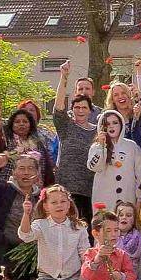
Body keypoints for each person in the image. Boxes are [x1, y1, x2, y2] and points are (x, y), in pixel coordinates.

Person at [18, 184, 90, 280]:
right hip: (49, 279)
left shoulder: (79, 227)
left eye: (63, 201)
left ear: (69, 204)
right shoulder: (40, 224)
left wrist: (83, 278)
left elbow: (85, 254)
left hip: (73, 278)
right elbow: (26, 235)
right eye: (54, 202)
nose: (59, 205)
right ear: (46, 206)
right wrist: (26, 214)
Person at [53, 63, 98, 225]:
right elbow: (58, 107)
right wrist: (63, 78)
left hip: (89, 187)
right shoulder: (66, 126)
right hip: (66, 186)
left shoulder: (97, 131)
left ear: (90, 110)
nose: (80, 110)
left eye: (84, 107)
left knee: (85, 228)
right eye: (77, 107)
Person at [87, 110, 141, 210]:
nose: (111, 126)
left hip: (127, 198)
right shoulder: (96, 147)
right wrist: (102, 146)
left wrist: (139, 197)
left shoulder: (132, 146)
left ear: (121, 124)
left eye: (115, 123)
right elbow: (95, 167)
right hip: (104, 198)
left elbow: (140, 173)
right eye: (107, 124)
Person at [0, 106, 56, 186]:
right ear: (12, 125)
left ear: (30, 125)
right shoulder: (7, 141)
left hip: (34, 188)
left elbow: (47, 169)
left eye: (25, 122)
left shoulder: (38, 144)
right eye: (17, 122)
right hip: (8, 187)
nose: (21, 124)